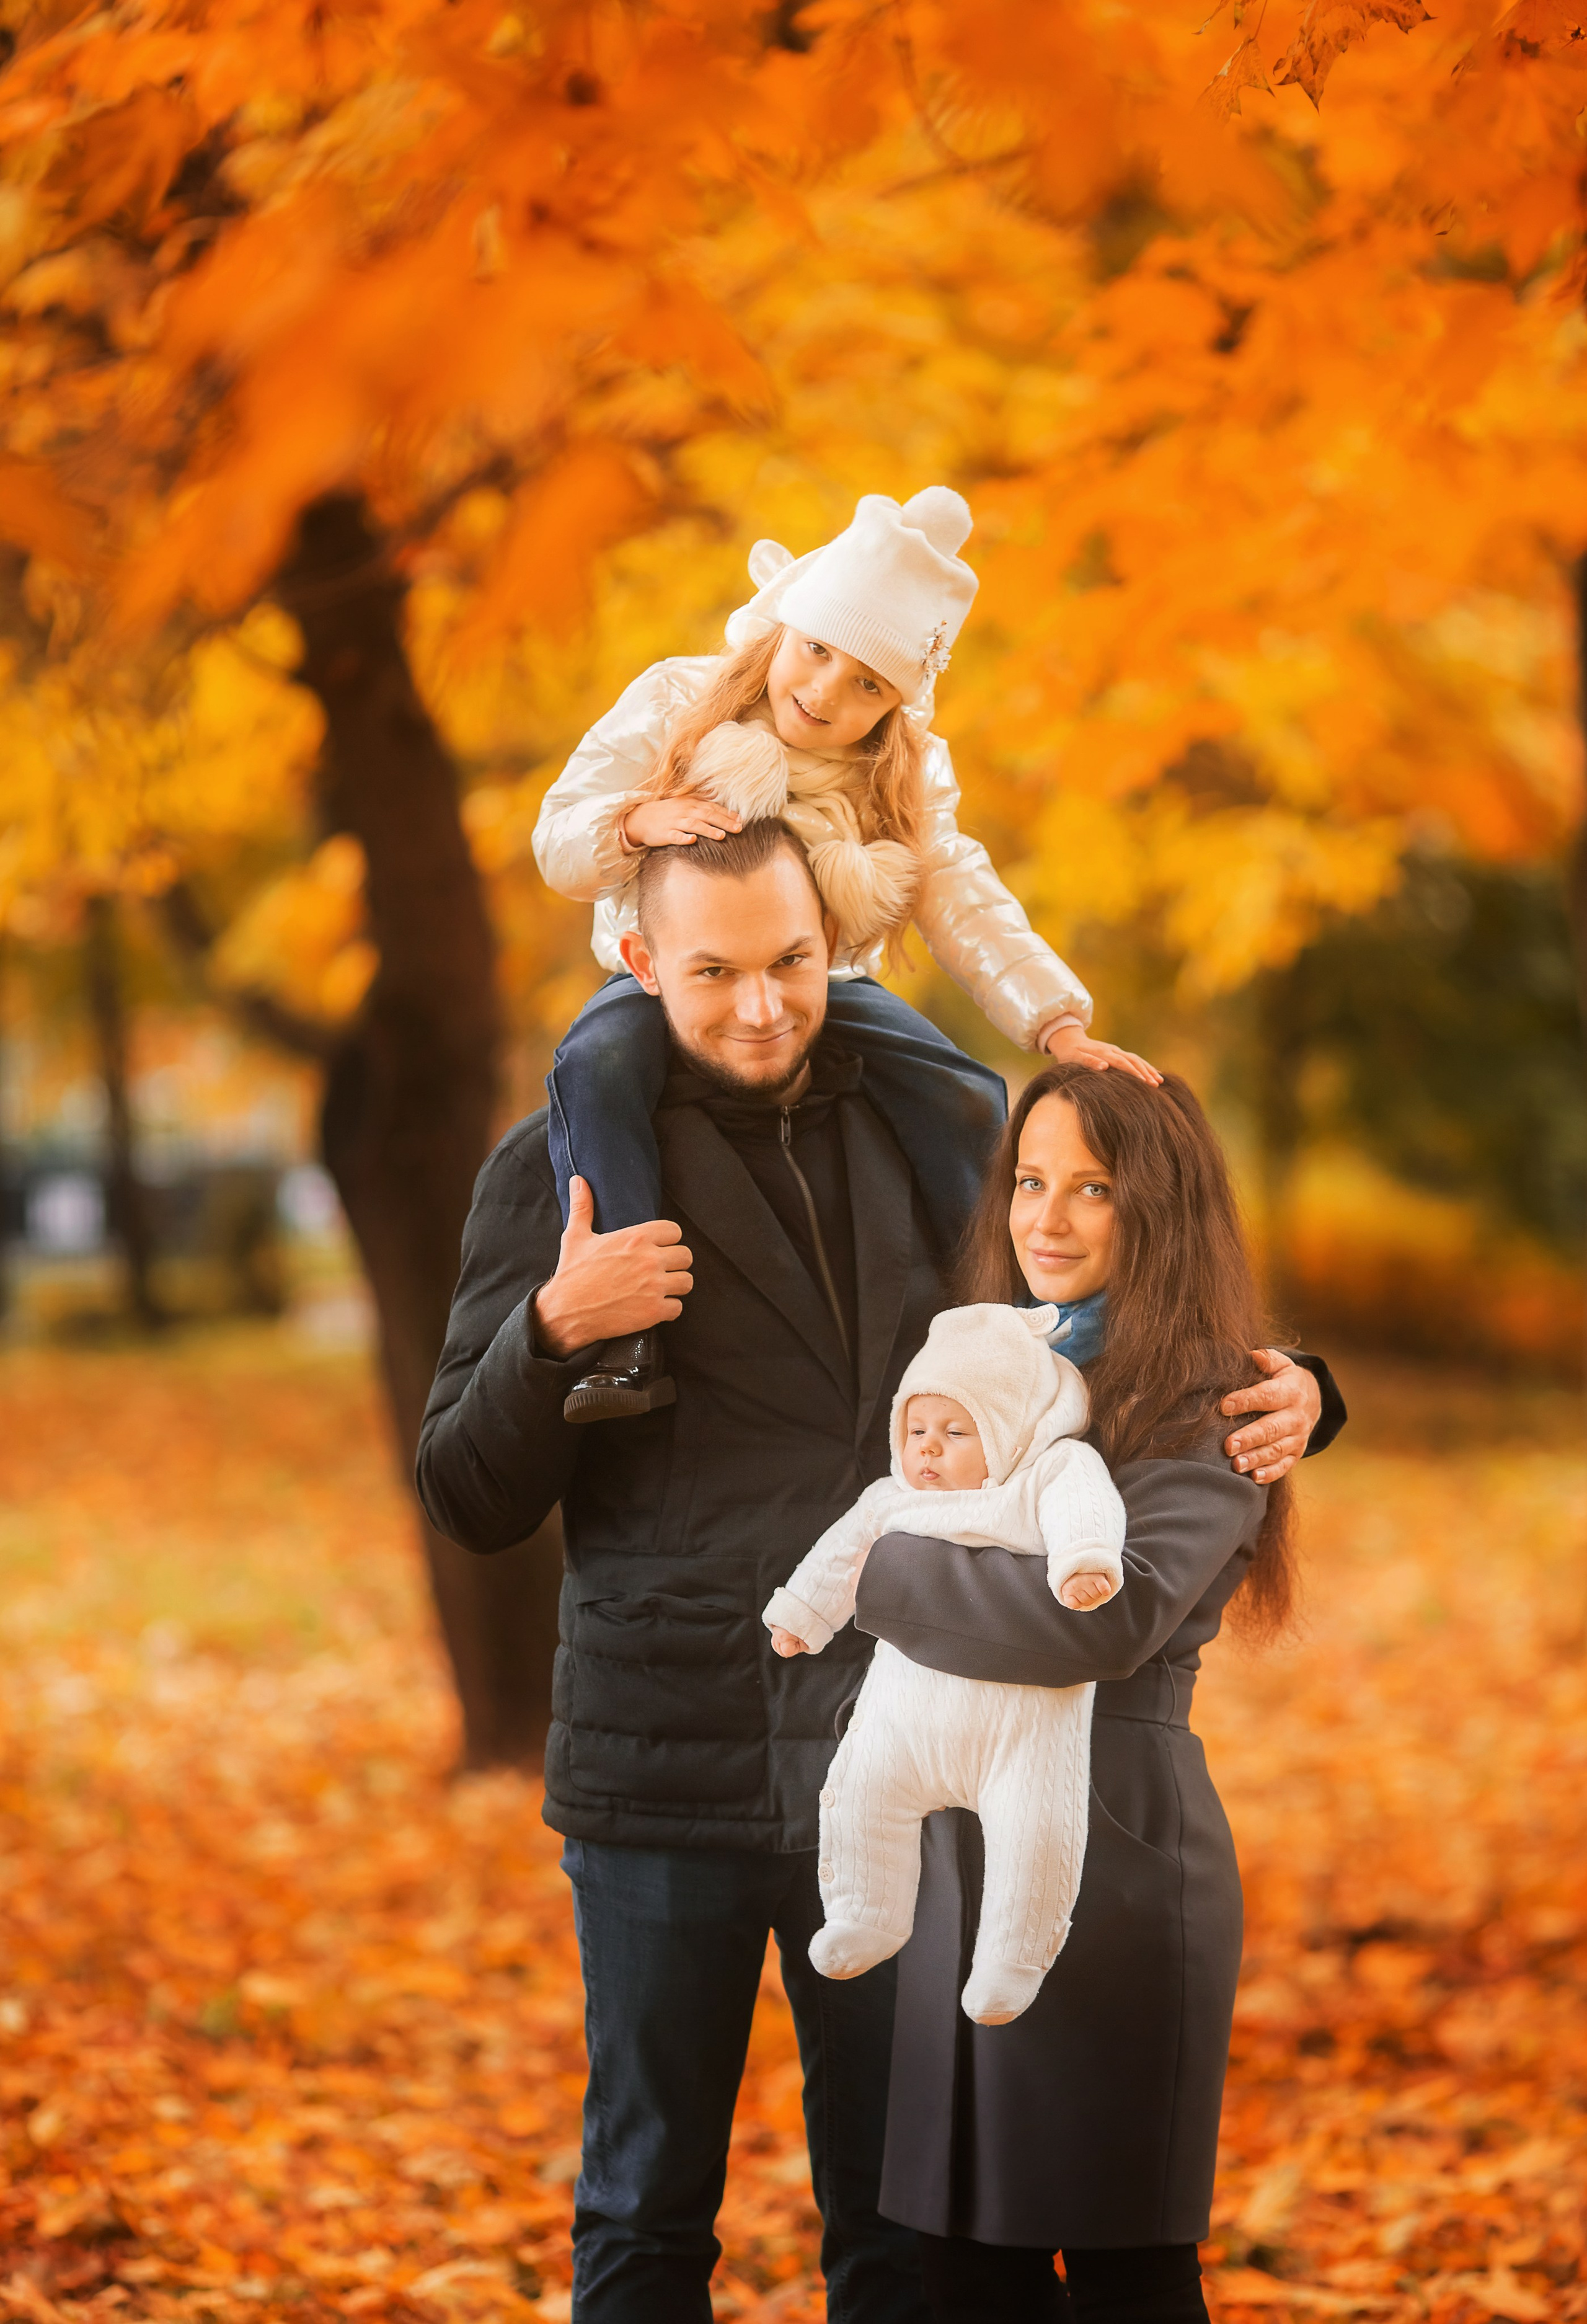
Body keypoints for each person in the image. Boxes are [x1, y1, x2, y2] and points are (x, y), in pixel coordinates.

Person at [415, 822, 1340, 2324]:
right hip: (666, 1772)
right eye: (712, 971)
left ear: (833, 944)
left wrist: (1301, 1386)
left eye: (790, 960)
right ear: (641, 959)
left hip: (906, 1773)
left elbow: (1107, 1308)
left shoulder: (932, 1147)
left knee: (901, 2230)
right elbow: (462, 1492)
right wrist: (549, 1334)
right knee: (645, 2214)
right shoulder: (560, 1171)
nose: (760, 1005)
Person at [851, 1063, 1329, 2324]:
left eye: (1092, 1188)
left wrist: (878, 1571)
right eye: (1028, 1179)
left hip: (1113, 1864)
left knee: (1122, 2268)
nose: (1043, 1218)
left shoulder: (1209, 1400)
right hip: (958, 1855)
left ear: (1156, 1208)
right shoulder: (991, 1363)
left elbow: (1103, 1618)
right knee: (961, 2265)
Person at [532, 486, 1159, 1424]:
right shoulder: (679, 701)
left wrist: (1055, 1021)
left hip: (822, 987)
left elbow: (962, 894)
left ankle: (1016, 1321)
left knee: (960, 1092)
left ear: (897, 703)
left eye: (869, 683)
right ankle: (630, 1328)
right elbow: (557, 837)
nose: (826, 692)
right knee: (597, 1063)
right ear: (785, 625)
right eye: (819, 650)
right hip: (664, 980)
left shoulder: (899, 772)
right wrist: (633, 821)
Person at [761, 1302, 1125, 2025]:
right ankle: (866, 1911)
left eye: (957, 1433)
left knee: (1038, 1832)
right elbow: (839, 1556)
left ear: (1011, 1428)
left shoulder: (1048, 1470)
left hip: (1021, 1731)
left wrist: (1083, 1562)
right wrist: (803, 1615)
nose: (929, 1449)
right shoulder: (889, 1498)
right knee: (860, 1790)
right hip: (904, 1715)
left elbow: (1086, 1508)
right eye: (917, 1431)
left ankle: (1013, 1960)